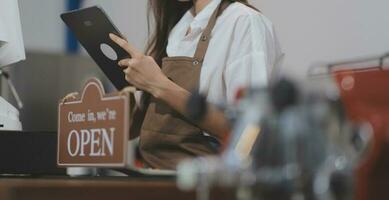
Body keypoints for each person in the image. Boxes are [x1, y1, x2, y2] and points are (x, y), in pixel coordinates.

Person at [109, 0, 283, 169]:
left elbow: (251, 131)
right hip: (155, 177)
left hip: (207, 184)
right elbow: (141, 129)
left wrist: (159, 84)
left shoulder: (244, 22)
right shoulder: (178, 29)